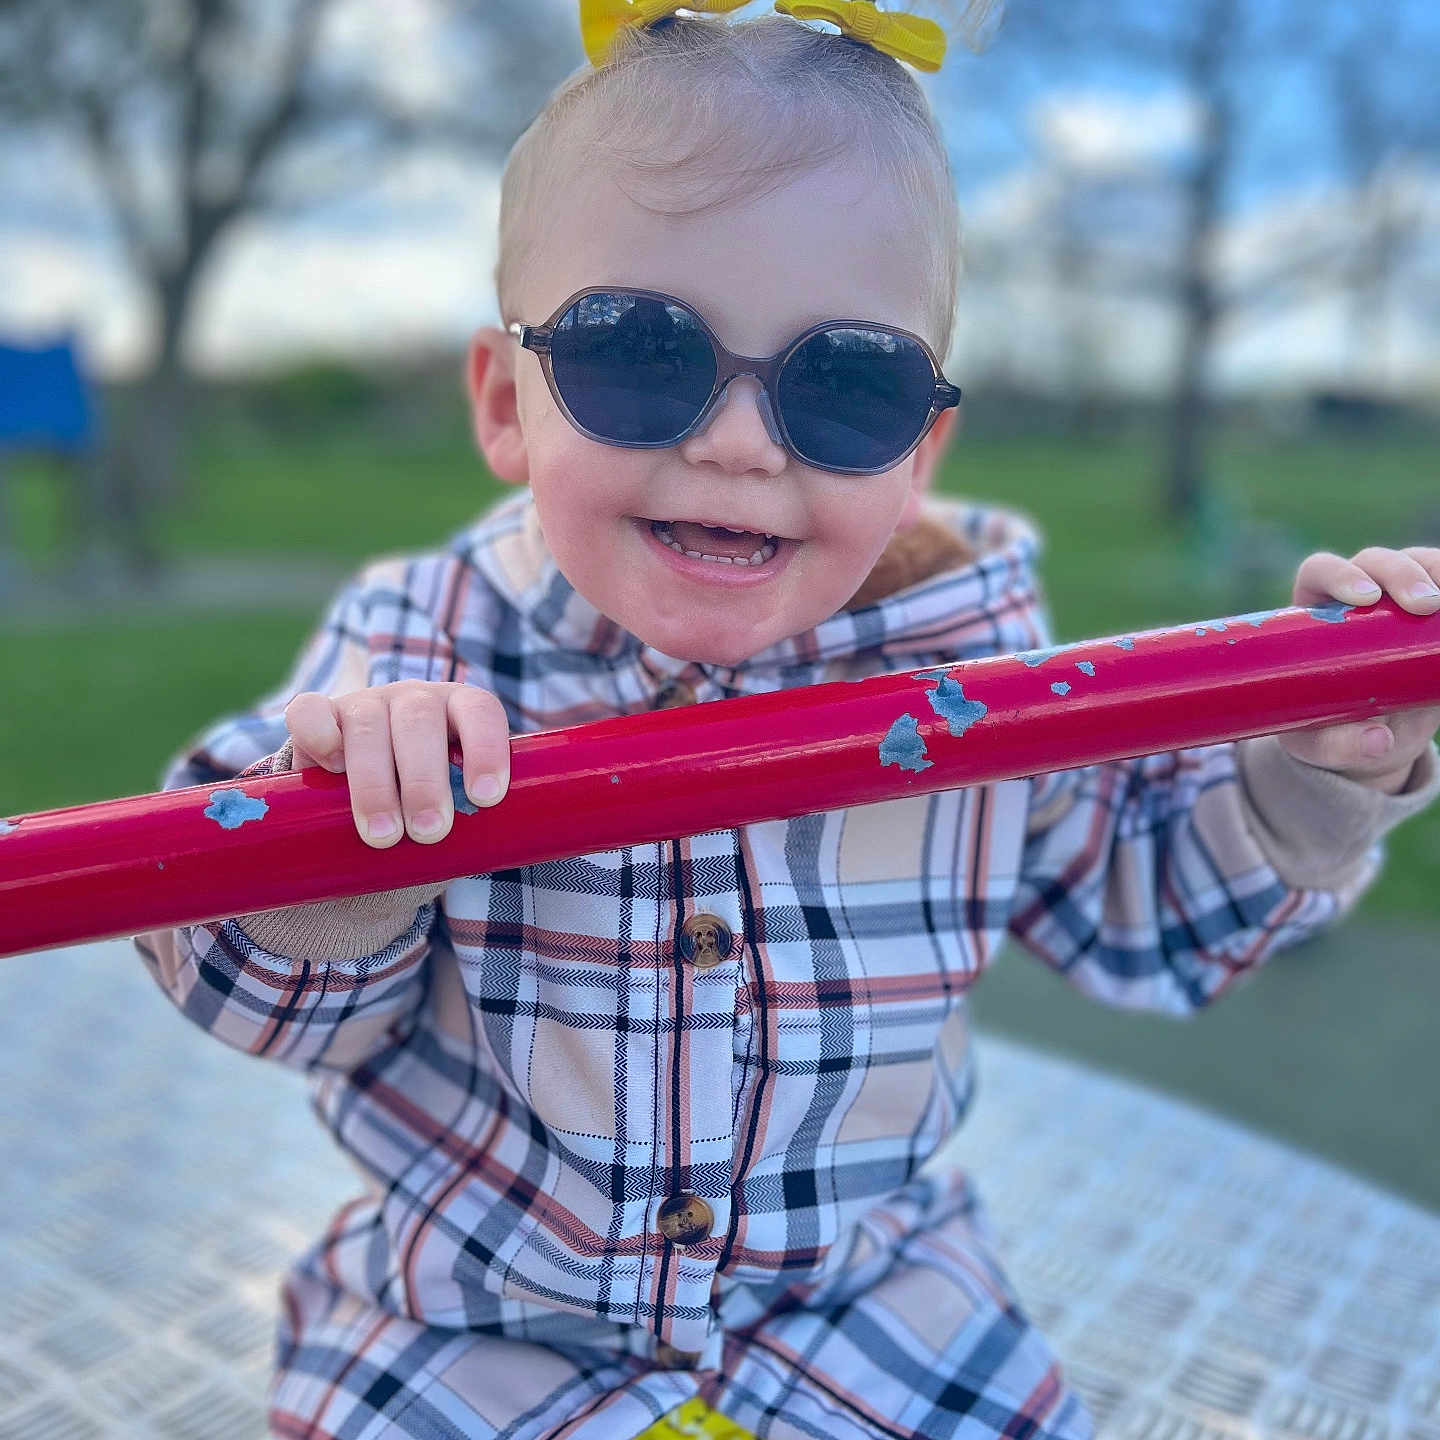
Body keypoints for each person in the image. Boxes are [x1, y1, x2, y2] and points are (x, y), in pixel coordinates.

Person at [135, 4, 1440, 1438]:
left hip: (869, 1308)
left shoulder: (975, 662)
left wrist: (1311, 775)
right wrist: (349, 850)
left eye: (848, 385)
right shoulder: (415, 647)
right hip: (482, 1318)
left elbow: (1143, 920)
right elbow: (264, 1005)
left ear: (922, 450)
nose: (741, 442)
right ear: (509, 403)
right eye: (641, 355)